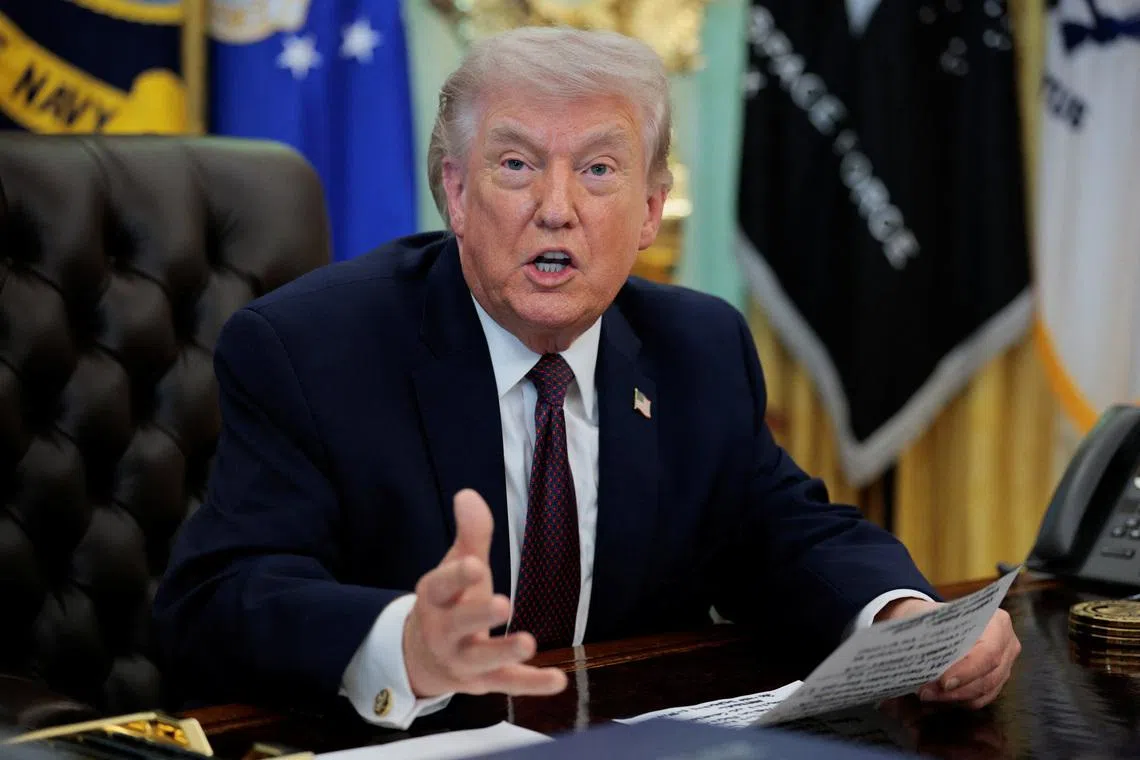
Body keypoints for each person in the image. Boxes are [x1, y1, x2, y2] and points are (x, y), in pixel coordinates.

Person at [152, 26, 1020, 730]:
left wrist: (903, 621)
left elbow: (786, 531)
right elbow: (217, 598)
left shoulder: (699, 347)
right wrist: (401, 642)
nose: (556, 207)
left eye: (599, 169)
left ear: (649, 210)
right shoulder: (311, 348)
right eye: (517, 165)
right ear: (455, 193)